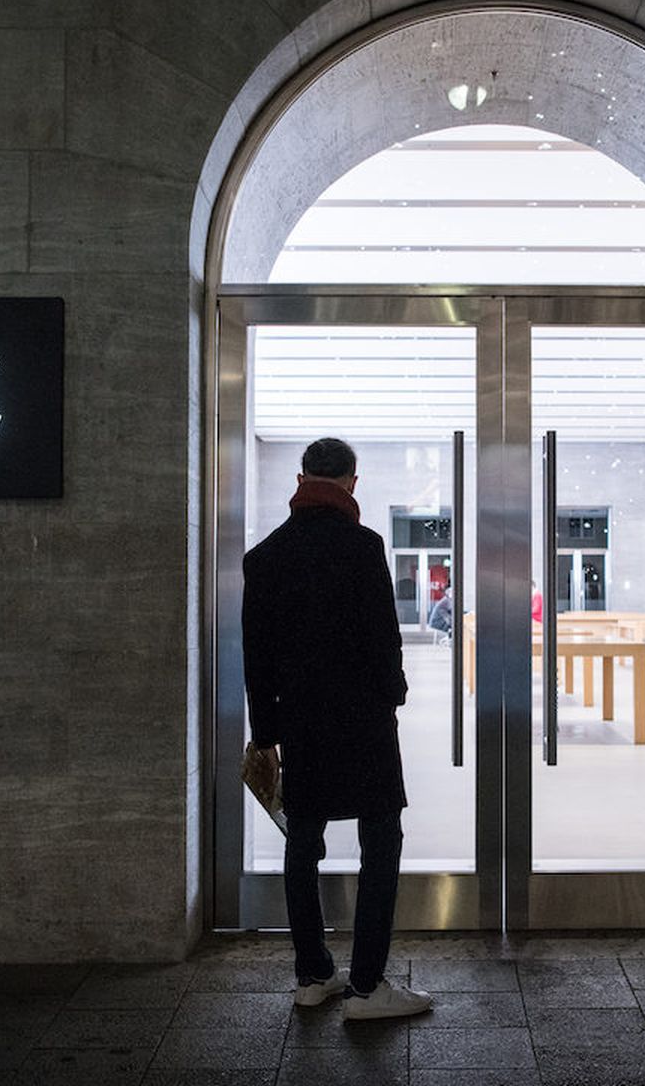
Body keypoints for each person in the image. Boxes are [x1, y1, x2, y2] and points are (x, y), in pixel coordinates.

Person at [240, 437, 434, 1021]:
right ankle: (369, 988)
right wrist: (393, 695)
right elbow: (383, 634)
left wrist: (266, 733)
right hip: (364, 719)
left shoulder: (265, 556)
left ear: (301, 478)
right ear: (352, 481)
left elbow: (257, 656)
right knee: (381, 842)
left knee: (303, 845)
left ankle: (312, 975)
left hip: (300, 723)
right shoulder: (364, 545)